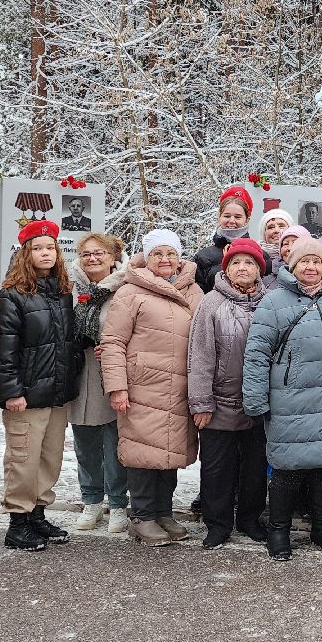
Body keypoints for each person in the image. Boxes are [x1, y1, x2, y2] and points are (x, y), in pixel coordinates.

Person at [242, 236, 322, 560]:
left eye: (317, 261)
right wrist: (255, 399)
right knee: (287, 468)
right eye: (304, 261)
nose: (311, 267)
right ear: (292, 266)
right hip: (290, 400)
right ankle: (279, 530)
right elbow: (257, 354)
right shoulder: (274, 302)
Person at [98, 229, 203, 547]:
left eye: (171, 253)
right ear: (146, 257)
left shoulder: (193, 291)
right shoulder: (130, 292)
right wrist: (117, 387)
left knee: (170, 452)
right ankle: (142, 517)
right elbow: (113, 342)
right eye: (157, 253)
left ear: (180, 257)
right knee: (142, 453)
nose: (165, 259)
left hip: (180, 387)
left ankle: (163, 512)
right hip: (143, 387)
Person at [0, 219, 82, 551]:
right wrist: (12, 391)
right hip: (27, 396)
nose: (46, 253)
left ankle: (38, 515)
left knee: (49, 458)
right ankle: (18, 522)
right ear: (25, 254)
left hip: (56, 394)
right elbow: (5, 348)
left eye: (50, 248)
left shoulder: (62, 293)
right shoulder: (12, 295)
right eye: (38, 248)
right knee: (23, 459)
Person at [187, 237, 270, 548]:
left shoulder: (270, 303)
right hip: (219, 402)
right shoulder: (211, 303)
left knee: (254, 468)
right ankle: (218, 524)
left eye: (249, 262)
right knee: (217, 468)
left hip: (258, 403)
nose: (242, 267)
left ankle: (250, 519)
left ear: (260, 269)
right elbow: (200, 355)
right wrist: (201, 403)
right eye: (236, 262)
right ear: (226, 268)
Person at [67, 232, 129, 534]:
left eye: (99, 253)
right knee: (85, 442)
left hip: (113, 373)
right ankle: (91, 500)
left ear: (112, 257)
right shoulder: (70, 288)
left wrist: (115, 347)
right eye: (86, 254)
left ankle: (117, 503)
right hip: (79, 373)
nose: (92, 258)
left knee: (114, 441)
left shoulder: (124, 289)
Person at [192, 185, 263, 293]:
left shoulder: (260, 254)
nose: (232, 221)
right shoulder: (203, 257)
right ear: (219, 217)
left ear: (247, 219)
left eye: (238, 217)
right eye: (227, 216)